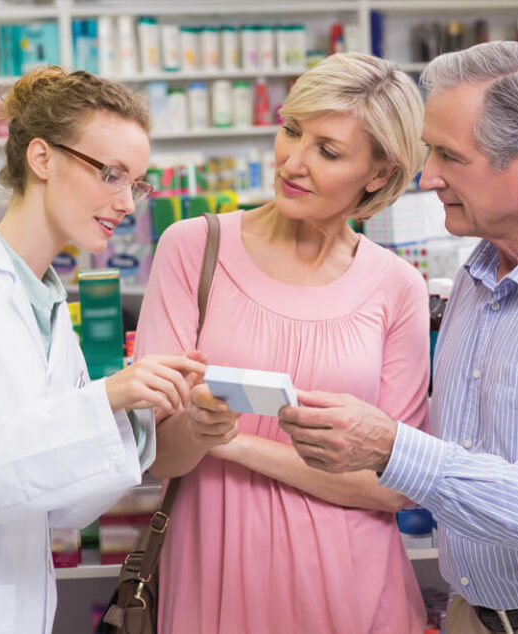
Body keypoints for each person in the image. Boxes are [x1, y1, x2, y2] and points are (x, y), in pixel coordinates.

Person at [279, 41, 518, 633]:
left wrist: (390, 448)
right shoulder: (479, 272)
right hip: (474, 614)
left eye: (448, 156)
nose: (427, 176)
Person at [0, 67, 206, 634]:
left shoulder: (50, 307)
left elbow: (59, 506)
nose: (127, 203)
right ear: (42, 158)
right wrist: (104, 398)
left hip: (22, 609)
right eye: (111, 174)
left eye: (136, 184)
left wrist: (137, 417)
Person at [133, 52, 428, 634]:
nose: (293, 162)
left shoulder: (398, 287)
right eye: (292, 130)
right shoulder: (194, 249)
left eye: (329, 150)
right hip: (216, 569)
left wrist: (232, 442)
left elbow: (395, 486)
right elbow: (154, 454)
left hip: (354, 584)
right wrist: (193, 431)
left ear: (378, 173)